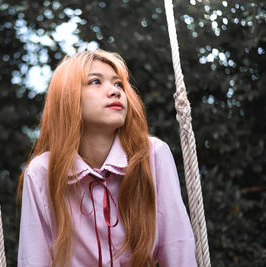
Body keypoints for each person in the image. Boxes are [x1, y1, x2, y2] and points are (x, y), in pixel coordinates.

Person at [17, 49, 197, 267]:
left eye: (118, 84)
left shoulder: (153, 155)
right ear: (67, 98)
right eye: (95, 82)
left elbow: (177, 247)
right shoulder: (41, 172)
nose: (115, 91)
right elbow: (33, 259)